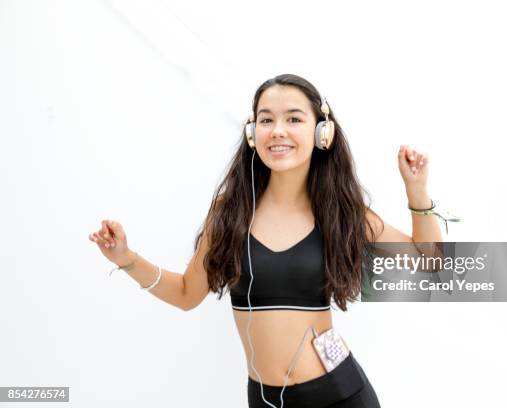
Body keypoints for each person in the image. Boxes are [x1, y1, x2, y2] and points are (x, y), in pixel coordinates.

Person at [89, 73, 443, 407]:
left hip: (338, 395)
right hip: (264, 399)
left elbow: (430, 263)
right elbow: (185, 294)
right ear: (251, 132)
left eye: (293, 119)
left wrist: (417, 191)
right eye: (266, 119)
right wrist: (126, 258)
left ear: (323, 133)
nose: (278, 131)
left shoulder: (341, 212)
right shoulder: (230, 212)